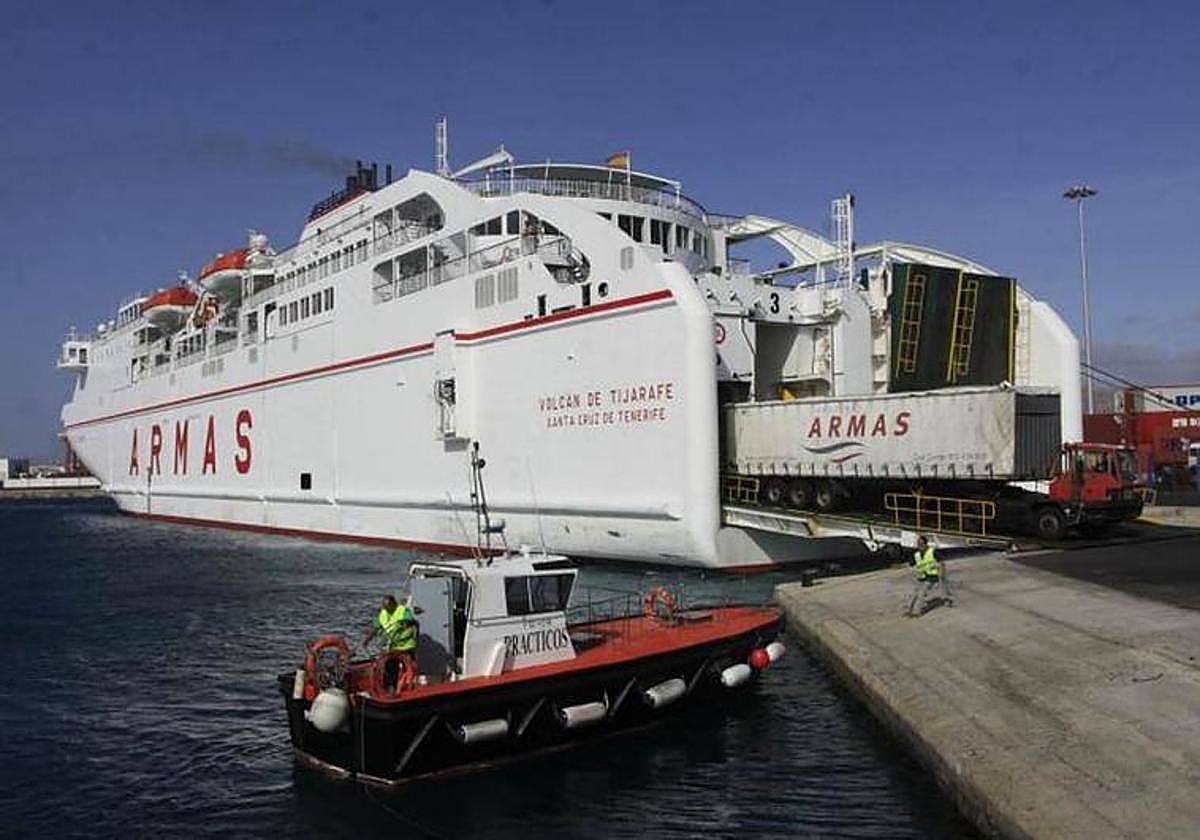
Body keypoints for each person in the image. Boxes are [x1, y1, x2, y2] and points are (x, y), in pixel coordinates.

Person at [363, 594, 418, 691]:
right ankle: (390, 687)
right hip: (392, 646)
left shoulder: (402, 611)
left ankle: (409, 687)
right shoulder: (382, 614)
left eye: (388, 607)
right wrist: (367, 640)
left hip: (406, 645)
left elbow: (412, 622)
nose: (386, 609)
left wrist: (405, 623)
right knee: (391, 668)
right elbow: (375, 628)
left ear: (393, 604)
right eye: (384, 607)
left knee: (409, 668)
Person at [905, 535, 953, 616]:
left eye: (921, 544)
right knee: (914, 594)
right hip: (921, 577)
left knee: (922, 593)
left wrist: (942, 573)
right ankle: (909, 610)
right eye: (918, 544)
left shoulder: (932, 552)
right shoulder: (916, 555)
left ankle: (917, 612)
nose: (920, 546)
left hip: (932, 577)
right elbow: (910, 564)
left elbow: (942, 561)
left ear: (926, 544)